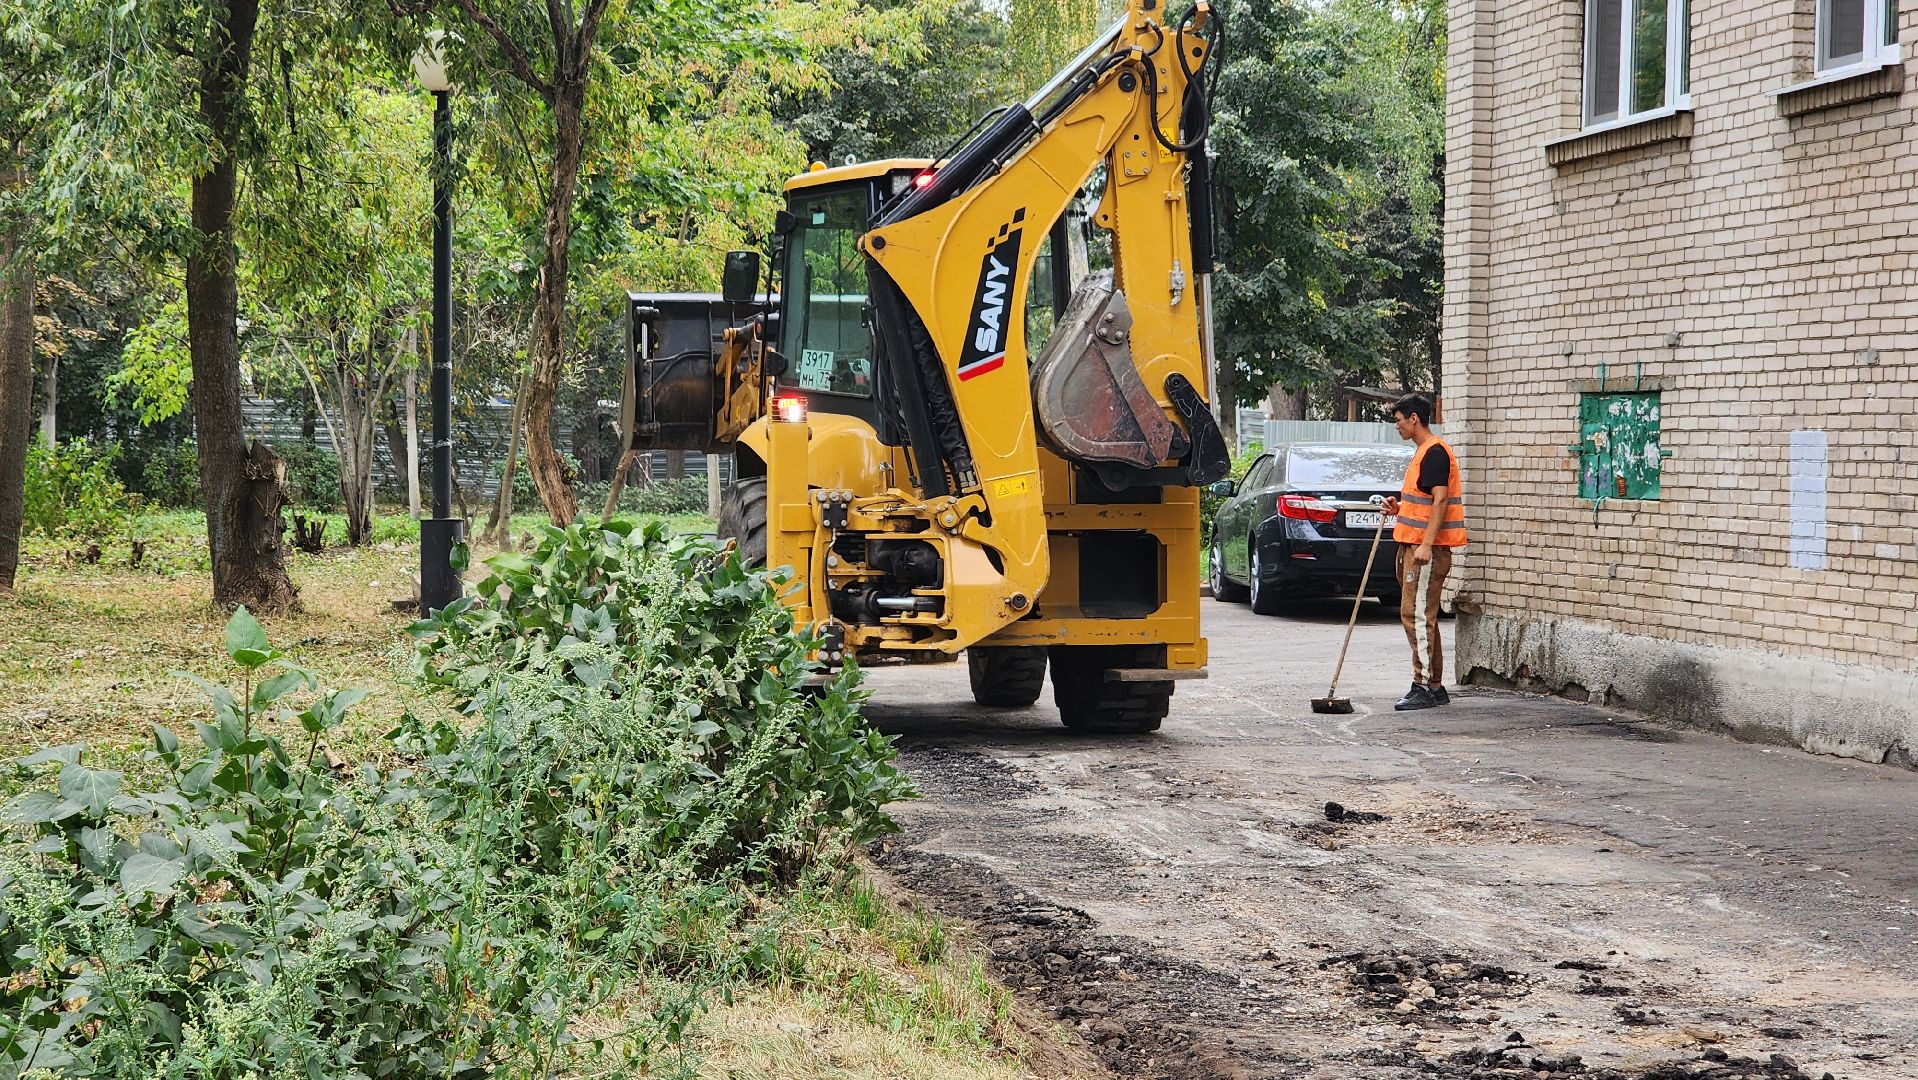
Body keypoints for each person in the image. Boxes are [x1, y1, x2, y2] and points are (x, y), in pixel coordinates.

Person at [1378, 394, 1466, 711]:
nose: (1397, 426)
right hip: (1413, 545)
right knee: (1422, 616)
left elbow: (1441, 500)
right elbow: (1427, 501)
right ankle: (1435, 686)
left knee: (1415, 616)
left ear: (1414, 418)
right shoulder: (1423, 453)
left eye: (1399, 420)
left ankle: (1425, 686)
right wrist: (1398, 508)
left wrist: (1427, 544)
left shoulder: (1434, 453)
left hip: (1424, 550)